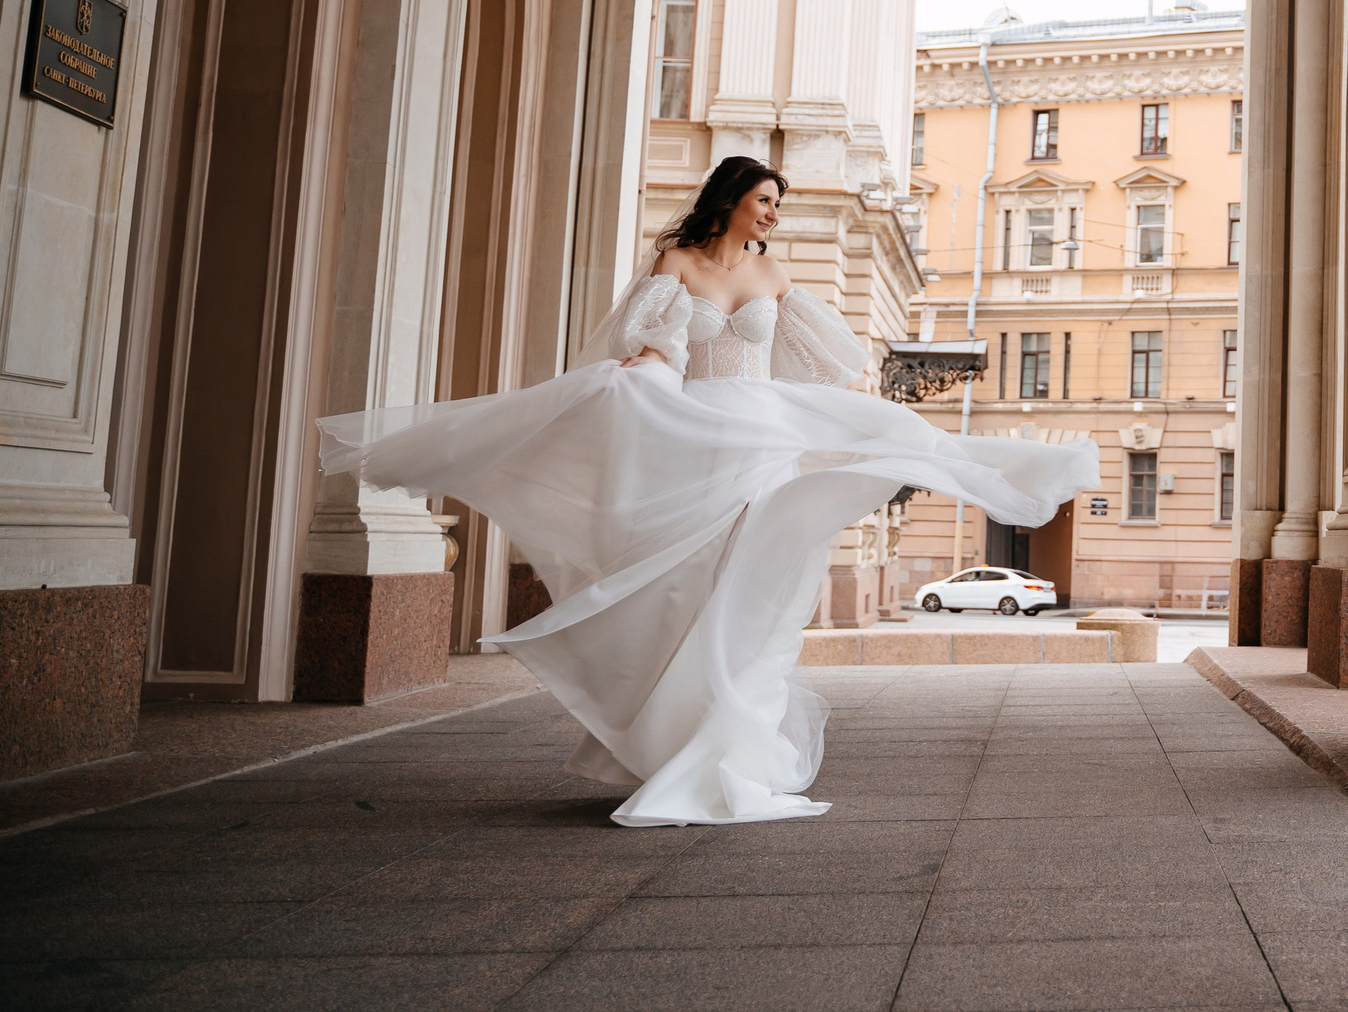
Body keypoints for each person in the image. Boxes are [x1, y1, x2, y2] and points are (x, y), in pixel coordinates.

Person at [318, 156, 1094, 827]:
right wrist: (640, 379)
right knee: (688, 584)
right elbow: (653, 346)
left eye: (779, 205)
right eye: (765, 201)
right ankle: (676, 739)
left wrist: (803, 382)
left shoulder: (772, 273)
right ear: (731, 200)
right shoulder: (678, 264)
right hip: (692, 430)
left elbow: (829, 361)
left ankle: (729, 734)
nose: (774, 215)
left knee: (753, 578)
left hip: (757, 432)